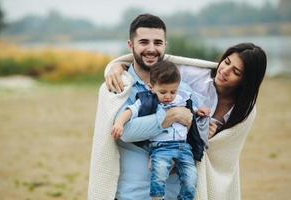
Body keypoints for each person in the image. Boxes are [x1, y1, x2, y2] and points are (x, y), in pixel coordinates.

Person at [88, 13, 267, 200]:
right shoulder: (119, 86)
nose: (151, 49)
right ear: (130, 45)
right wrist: (173, 116)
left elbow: (199, 131)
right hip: (132, 194)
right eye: (143, 42)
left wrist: (199, 127)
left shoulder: (182, 87)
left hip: (176, 193)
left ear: (165, 45)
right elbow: (126, 132)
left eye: (157, 43)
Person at [111, 60, 210, 200]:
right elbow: (130, 111)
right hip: (161, 147)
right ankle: (157, 197)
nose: (168, 96)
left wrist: (200, 111)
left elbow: (191, 112)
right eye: (163, 92)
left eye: (173, 92)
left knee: (191, 177)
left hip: (184, 148)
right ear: (151, 87)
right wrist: (120, 123)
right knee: (159, 175)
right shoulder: (147, 100)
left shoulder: (183, 97)